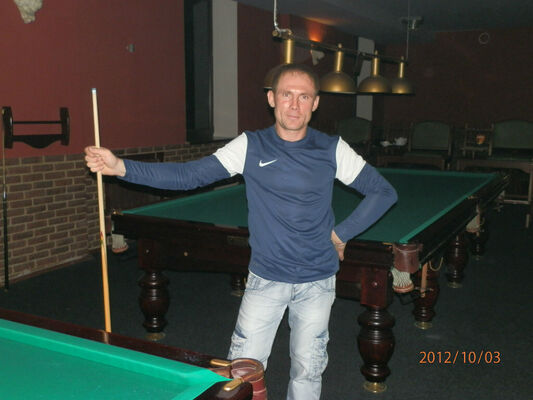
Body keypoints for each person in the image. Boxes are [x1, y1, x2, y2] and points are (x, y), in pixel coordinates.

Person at [85, 63, 397, 400]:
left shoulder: (331, 148)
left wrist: (340, 234)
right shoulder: (251, 145)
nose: (295, 105)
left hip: (317, 282)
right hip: (266, 279)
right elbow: (189, 176)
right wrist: (122, 167)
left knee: (308, 370)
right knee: (242, 373)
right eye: (287, 95)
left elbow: (383, 193)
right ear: (271, 99)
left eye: (304, 97)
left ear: (316, 103)